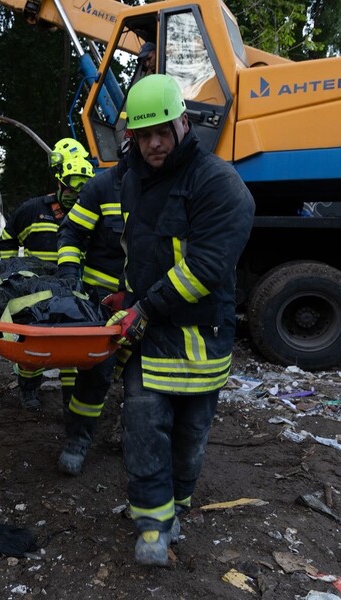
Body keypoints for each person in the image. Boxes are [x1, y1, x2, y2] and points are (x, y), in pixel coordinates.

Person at [108, 74, 254, 566]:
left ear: (183, 125)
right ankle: (152, 522)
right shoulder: (131, 180)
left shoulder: (218, 183)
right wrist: (126, 295)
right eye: (142, 134)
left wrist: (144, 307)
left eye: (161, 132)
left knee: (190, 438)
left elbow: (207, 268)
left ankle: (176, 510)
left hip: (200, 338)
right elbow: (139, 251)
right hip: (150, 337)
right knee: (144, 424)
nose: (152, 144)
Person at [0, 138, 94, 410]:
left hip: (73, 292)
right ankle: (28, 391)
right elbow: (6, 239)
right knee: (32, 347)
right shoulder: (32, 211)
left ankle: (70, 400)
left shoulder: (89, 214)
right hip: (34, 294)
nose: (74, 199)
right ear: (59, 183)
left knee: (73, 349)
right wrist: (11, 276)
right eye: (70, 191)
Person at [55, 135, 130, 476]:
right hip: (102, 301)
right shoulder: (102, 187)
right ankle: (77, 439)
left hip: (153, 300)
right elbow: (71, 234)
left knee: (148, 376)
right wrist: (70, 275)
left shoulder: (174, 188)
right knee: (95, 375)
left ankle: (134, 431)